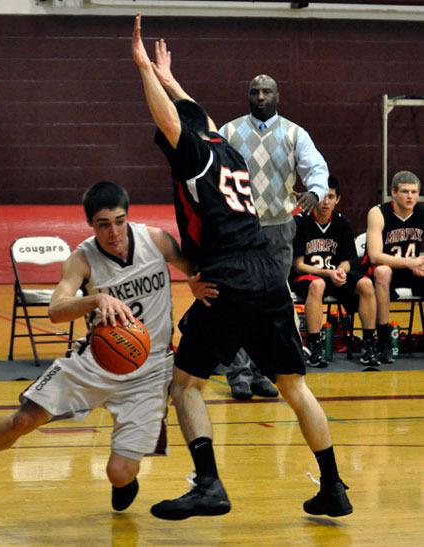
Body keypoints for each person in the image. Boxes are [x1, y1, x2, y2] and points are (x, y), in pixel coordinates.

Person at [132, 13, 352, 520]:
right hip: (265, 272)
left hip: (229, 275)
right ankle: (334, 487)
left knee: (185, 383)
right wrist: (172, 80)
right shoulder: (226, 146)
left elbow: (173, 121)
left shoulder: (191, 155)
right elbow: (195, 116)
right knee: (295, 386)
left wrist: (145, 69)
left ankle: (208, 484)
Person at [0, 181, 217, 511]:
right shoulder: (82, 259)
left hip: (149, 372)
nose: (114, 232)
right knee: (24, 420)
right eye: (104, 224)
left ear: (127, 217)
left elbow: (194, 270)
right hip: (95, 363)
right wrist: (95, 299)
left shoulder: (156, 240)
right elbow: (55, 310)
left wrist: (197, 283)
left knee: (118, 474)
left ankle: (125, 479)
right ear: (91, 224)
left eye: (119, 221)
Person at [151, 39, 328, 400]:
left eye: (267, 91)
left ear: (278, 96)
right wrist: (168, 82)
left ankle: (266, 372)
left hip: (278, 227)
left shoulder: (295, 133)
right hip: (238, 233)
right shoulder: (229, 131)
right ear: (248, 96)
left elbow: (317, 169)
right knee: (239, 306)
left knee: (268, 307)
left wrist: (316, 190)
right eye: (255, 92)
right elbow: (196, 121)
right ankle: (239, 375)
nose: (261, 97)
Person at [291, 175, 379, 368]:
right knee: (318, 284)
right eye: (322, 196)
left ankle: (369, 344)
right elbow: (298, 265)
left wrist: (340, 271)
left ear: (337, 199)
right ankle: (315, 345)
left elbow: (348, 260)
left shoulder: (342, 223)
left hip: (334, 276)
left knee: (365, 283)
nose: (326, 202)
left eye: (331, 197)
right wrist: (327, 273)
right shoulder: (300, 222)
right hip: (309, 276)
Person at [365, 170, 423, 362]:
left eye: (414, 192)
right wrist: (410, 262)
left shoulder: (421, 211)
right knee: (382, 272)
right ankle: (383, 340)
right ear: (393, 193)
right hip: (387, 269)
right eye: (405, 191)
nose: (410, 196)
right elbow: (374, 256)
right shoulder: (378, 212)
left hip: (413, 269)